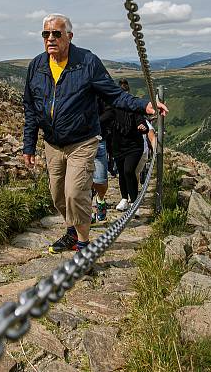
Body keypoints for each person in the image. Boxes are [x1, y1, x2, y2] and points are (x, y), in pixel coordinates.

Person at [23, 14, 168, 253]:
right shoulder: (36, 66)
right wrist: (29, 144)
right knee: (58, 196)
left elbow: (114, 94)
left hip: (82, 141)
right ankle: (71, 232)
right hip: (52, 143)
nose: (50, 38)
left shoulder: (87, 62)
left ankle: (83, 245)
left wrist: (145, 106)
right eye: (45, 34)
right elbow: (30, 106)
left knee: (74, 193)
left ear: (69, 36)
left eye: (56, 33)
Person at [111, 79, 151, 211]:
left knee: (128, 171)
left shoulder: (134, 109)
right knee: (122, 173)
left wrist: (142, 127)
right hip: (118, 145)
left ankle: (134, 202)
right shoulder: (113, 108)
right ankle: (124, 199)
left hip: (134, 145)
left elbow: (143, 124)